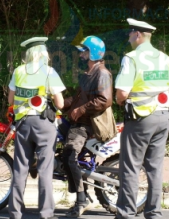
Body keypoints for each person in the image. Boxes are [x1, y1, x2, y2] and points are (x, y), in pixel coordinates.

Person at [114, 18, 169, 219]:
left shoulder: (131, 58)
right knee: (155, 169)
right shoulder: (165, 59)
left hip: (140, 119)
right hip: (163, 117)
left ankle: (126, 214)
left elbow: (121, 94)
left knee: (130, 169)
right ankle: (154, 213)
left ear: (138, 35)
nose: (129, 37)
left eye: (130, 33)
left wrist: (123, 100)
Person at [8, 37, 66, 219]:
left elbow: (10, 100)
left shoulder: (18, 71)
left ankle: (15, 212)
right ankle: (46, 213)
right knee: (45, 170)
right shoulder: (49, 72)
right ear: (42, 53)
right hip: (43, 125)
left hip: (23, 124)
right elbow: (61, 103)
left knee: (20, 169)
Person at [60, 35, 113, 217]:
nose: (81, 55)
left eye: (84, 51)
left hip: (86, 124)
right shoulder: (88, 74)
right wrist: (58, 102)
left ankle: (82, 199)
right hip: (78, 120)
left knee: (69, 154)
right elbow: (76, 99)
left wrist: (81, 110)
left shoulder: (102, 73)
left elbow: (105, 99)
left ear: (93, 53)